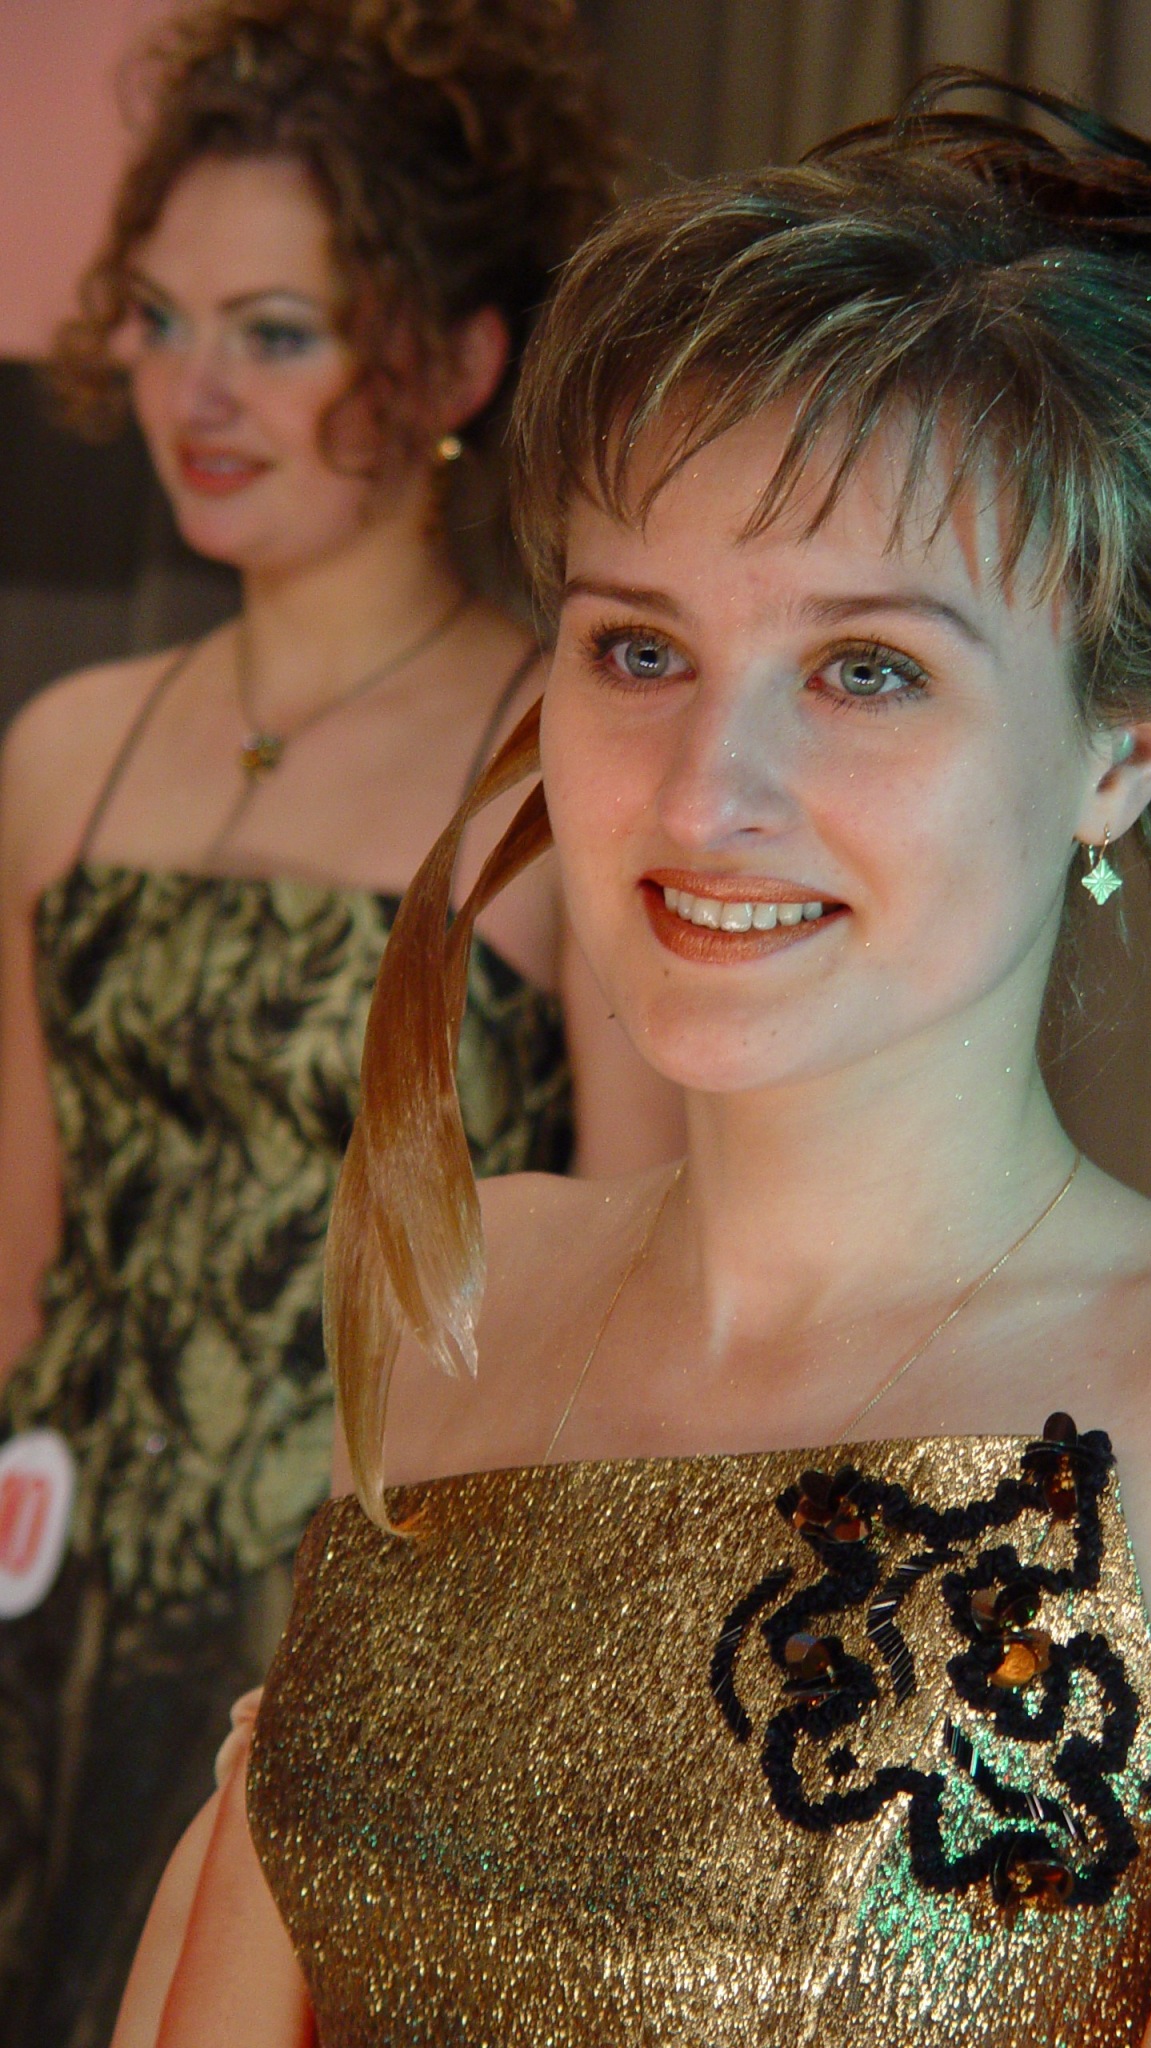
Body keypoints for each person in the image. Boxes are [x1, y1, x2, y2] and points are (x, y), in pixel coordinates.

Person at [119, 79, 1151, 2046]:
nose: (712, 789)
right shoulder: (465, 1291)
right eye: (639, 650)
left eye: (870, 669)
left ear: (1116, 755)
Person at [0, 2, 681, 2040]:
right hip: (37, 1606)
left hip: (347, 1637)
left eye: (276, 332)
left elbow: (638, 1278)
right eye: (161, 319)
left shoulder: (566, 755)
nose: (195, 391)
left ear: (458, 363)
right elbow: (22, 1246)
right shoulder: (63, 745)